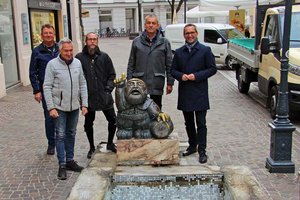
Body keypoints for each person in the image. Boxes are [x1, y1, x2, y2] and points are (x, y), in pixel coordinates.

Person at [171, 24, 217, 164]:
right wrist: (181, 76)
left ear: (196, 33)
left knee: (201, 123)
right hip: (185, 91)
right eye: (187, 33)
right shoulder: (179, 52)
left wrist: (196, 76)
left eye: (192, 32)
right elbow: (173, 70)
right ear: (184, 35)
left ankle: (202, 150)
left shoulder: (205, 50)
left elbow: (212, 69)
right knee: (189, 122)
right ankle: (192, 145)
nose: (189, 35)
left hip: (200, 92)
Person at [43, 38, 88, 180]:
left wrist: (84, 104)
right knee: (60, 135)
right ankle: (62, 164)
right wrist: (51, 107)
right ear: (60, 51)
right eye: (66, 50)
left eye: (71, 50)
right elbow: (47, 87)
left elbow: (83, 84)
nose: (69, 53)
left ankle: (70, 160)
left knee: (71, 133)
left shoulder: (78, 63)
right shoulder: (52, 65)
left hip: (74, 106)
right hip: (59, 107)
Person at [76, 32, 117, 159]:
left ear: (97, 41)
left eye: (94, 39)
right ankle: (91, 147)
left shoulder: (104, 57)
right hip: (89, 97)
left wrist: (108, 89)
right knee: (88, 123)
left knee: (113, 120)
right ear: (85, 41)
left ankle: (110, 143)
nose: (92, 42)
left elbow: (112, 75)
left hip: (104, 95)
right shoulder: (79, 58)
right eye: (90, 39)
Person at [127, 14, 174, 110]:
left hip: (157, 81)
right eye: (148, 23)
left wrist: (170, 82)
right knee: (139, 109)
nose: (151, 25)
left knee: (156, 109)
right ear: (145, 25)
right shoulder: (136, 41)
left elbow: (169, 64)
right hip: (139, 82)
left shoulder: (165, 42)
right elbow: (131, 63)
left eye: (153, 23)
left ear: (157, 25)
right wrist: (129, 81)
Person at [29, 24, 59, 155]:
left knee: (62, 115)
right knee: (49, 118)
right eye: (45, 33)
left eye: (50, 33)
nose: (48, 35)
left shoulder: (60, 48)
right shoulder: (37, 51)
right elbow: (32, 72)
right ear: (42, 35)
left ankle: (61, 140)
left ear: (54, 34)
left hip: (60, 89)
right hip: (46, 89)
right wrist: (36, 90)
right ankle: (51, 143)